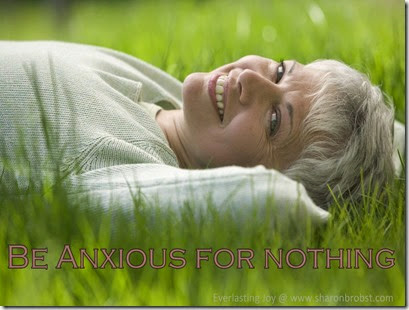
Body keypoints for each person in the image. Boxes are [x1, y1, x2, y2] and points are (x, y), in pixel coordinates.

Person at [0, 41, 399, 216]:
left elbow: (280, 203)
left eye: (274, 120)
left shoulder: (124, 170)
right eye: (280, 70)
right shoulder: (169, 101)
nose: (250, 78)